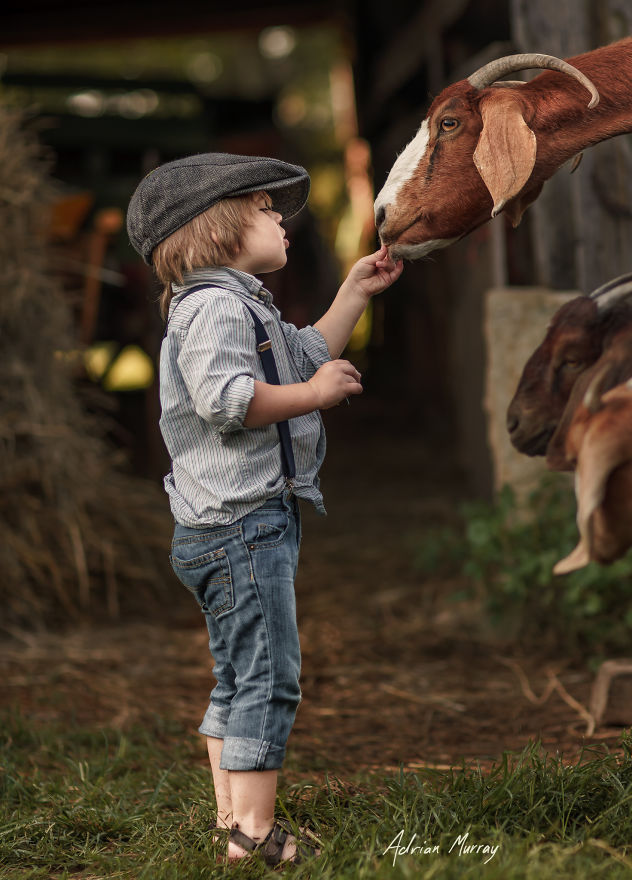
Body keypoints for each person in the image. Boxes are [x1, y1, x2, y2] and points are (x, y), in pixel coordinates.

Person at [126, 152, 403, 866]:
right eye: (264, 208)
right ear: (216, 230)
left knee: (238, 672)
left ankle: (232, 820)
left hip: (227, 526)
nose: (281, 217)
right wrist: (314, 397)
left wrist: (355, 292)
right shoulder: (217, 307)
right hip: (240, 529)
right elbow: (231, 402)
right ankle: (252, 837)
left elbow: (304, 353)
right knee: (270, 675)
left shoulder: (239, 304)